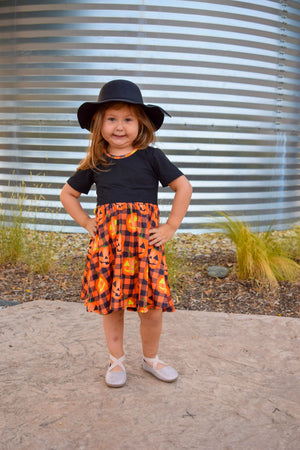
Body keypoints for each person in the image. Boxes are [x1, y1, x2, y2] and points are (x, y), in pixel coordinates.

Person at [60, 79, 192, 388]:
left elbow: (183, 186)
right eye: (112, 118)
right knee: (113, 307)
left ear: (140, 124)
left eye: (128, 119)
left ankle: (151, 359)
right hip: (110, 249)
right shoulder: (96, 162)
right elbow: (68, 195)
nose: (120, 127)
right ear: (99, 124)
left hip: (144, 249)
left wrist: (170, 226)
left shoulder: (151, 157)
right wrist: (87, 223)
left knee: (153, 308)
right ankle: (116, 362)